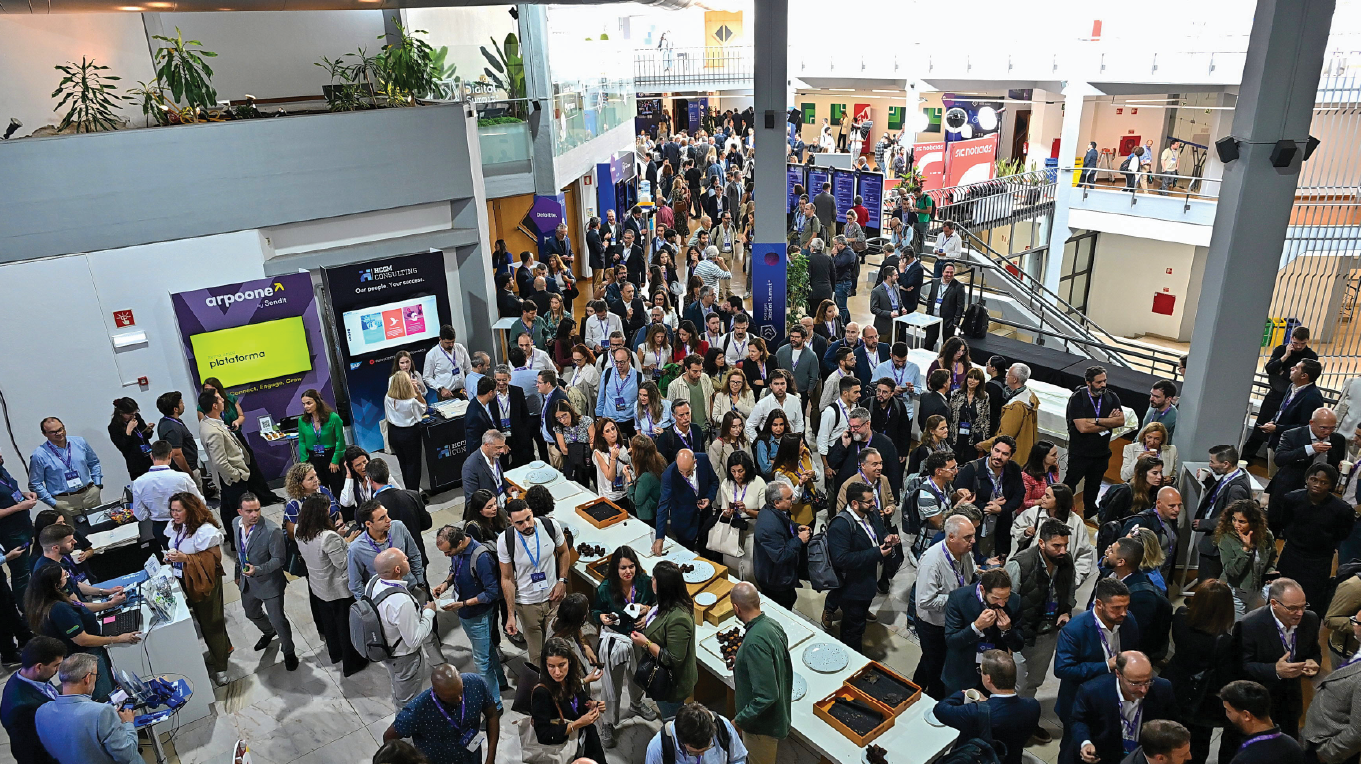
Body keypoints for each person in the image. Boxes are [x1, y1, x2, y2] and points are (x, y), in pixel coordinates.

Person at [23, 564, 134, 703]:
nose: (68, 578)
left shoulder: (43, 601)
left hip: (79, 655)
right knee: (104, 695)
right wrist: (117, 639)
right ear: (56, 585)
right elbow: (83, 640)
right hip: (87, 655)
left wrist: (110, 603)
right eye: (65, 577)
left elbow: (79, 605)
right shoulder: (59, 609)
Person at [1054, 578, 1142, 751]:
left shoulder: (1128, 621)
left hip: (1116, 699)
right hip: (1081, 703)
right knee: (1073, 750)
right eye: (1117, 608)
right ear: (1099, 604)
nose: (1123, 612)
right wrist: (1106, 666)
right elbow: (1063, 669)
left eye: (1126, 606)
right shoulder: (1074, 630)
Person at [1005, 519, 1077, 723]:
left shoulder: (1066, 561)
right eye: (1057, 546)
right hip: (1021, 633)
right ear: (1042, 543)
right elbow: (1005, 602)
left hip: (1048, 632)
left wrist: (1066, 611)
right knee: (1014, 682)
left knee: (1034, 680)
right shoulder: (1020, 564)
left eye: (1065, 545)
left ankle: (1023, 720)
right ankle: (1008, 721)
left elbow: (1068, 590)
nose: (1062, 550)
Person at [1234, 578, 1321, 742]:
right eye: (1293, 608)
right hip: (1259, 703)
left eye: (1303, 606)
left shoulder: (1311, 619)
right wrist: (1275, 670)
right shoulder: (1250, 624)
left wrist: (1314, 663)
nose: (1300, 613)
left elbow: (1314, 651)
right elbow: (1242, 666)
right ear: (1274, 603)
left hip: (1291, 701)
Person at [1162, 579, 1237, 764]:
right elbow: (1224, 677)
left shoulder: (1180, 617)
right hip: (1201, 701)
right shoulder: (1224, 642)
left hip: (1174, 686)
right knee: (1196, 749)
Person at [590, 546, 658, 746]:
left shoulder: (646, 583)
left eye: (631, 566)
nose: (628, 571)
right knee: (611, 683)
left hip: (639, 637)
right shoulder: (605, 588)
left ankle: (637, 704)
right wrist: (601, 617)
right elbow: (596, 611)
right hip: (615, 639)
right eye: (623, 568)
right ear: (615, 569)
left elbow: (658, 605)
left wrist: (647, 613)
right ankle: (608, 723)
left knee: (639, 675)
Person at [164, 492, 233, 684]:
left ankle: (221, 667)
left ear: (190, 509)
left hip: (205, 581)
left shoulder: (205, 531)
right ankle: (222, 649)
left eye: (178, 510)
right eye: (172, 510)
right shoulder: (177, 526)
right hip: (187, 579)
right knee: (203, 620)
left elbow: (214, 560)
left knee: (212, 622)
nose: (174, 514)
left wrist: (186, 559)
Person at [295, 495, 367, 677]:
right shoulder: (328, 538)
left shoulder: (299, 530)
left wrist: (338, 536)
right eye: (327, 509)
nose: (330, 512)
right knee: (345, 627)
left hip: (318, 586)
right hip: (338, 589)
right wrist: (348, 542)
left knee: (330, 625)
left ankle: (336, 654)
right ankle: (353, 663)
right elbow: (342, 563)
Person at [933, 651, 1041, 764]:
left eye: (981, 671)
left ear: (989, 679)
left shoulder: (977, 712)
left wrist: (963, 694)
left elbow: (940, 709)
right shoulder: (1033, 705)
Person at [1071, 651, 1177, 764]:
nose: (1143, 689)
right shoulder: (1092, 691)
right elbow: (1079, 720)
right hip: (1106, 756)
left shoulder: (1163, 688)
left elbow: (1172, 722)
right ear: (1118, 674)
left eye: (1147, 681)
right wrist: (1085, 742)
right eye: (1135, 683)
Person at [367, 547, 442, 707]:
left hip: (387, 648)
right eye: (404, 559)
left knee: (399, 691)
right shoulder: (401, 602)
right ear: (397, 569)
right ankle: (405, 731)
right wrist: (428, 613)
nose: (407, 557)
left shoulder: (373, 583)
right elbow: (414, 640)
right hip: (404, 658)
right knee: (409, 703)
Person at [912, 514, 977, 697]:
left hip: (951, 621)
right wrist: (958, 600)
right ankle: (935, 701)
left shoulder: (964, 552)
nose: (973, 541)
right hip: (934, 625)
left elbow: (968, 577)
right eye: (967, 537)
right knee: (936, 666)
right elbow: (925, 601)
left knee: (930, 658)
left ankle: (915, 686)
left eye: (973, 535)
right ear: (951, 537)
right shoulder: (932, 562)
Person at [498, 502, 570, 666]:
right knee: (537, 656)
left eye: (528, 518)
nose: (527, 525)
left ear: (531, 512)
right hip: (527, 604)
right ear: (510, 521)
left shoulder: (550, 525)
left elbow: (564, 552)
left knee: (559, 648)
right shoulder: (505, 540)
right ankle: (543, 688)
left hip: (554, 598)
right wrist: (510, 615)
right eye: (520, 523)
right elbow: (507, 578)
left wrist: (562, 580)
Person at [1275, 464, 1354, 614]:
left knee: (1311, 600)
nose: (1317, 485)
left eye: (1324, 482)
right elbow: (1284, 522)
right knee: (1281, 592)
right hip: (1291, 554)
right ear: (1307, 479)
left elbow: (1343, 533)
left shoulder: (1342, 510)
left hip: (1319, 561)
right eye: (1314, 479)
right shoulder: (1291, 499)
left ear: (1331, 485)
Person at [33, 653, 139, 764]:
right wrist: (128, 723)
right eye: (96, 676)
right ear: (87, 678)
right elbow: (128, 755)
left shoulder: (42, 711)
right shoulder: (102, 712)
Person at [232, 494, 298, 671]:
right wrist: (237, 573)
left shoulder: (271, 530)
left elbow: (279, 560)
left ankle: (289, 651)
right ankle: (269, 632)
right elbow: (240, 551)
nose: (254, 514)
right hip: (247, 582)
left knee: (278, 620)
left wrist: (258, 570)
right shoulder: (235, 523)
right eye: (249, 511)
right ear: (240, 512)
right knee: (251, 613)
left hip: (269, 583)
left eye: (257, 510)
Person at [728, 582, 791, 764]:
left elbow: (766, 695)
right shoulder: (772, 625)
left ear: (736, 608)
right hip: (775, 714)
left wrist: (739, 722)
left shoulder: (755, 641)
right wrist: (742, 662)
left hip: (761, 725)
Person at [384, 664, 498, 764]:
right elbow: (389, 737)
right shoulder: (417, 710)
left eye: (461, 692)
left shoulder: (476, 684)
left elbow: (492, 715)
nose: (459, 699)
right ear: (435, 691)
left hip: (471, 757)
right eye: (451, 697)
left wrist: (490, 759)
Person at [631, 560, 697, 721]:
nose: (650, 581)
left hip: (671, 684)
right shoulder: (668, 601)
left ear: (663, 585)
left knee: (673, 724)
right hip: (663, 673)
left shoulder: (679, 619)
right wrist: (648, 612)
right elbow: (659, 612)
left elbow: (673, 658)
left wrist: (645, 643)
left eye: (653, 579)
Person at [943, 568, 1023, 696]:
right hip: (962, 672)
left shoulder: (1015, 601)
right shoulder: (958, 598)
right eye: (996, 598)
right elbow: (952, 641)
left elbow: (1018, 645)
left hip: (994, 676)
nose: (1002, 604)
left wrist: (1007, 630)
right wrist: (976, 627)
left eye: (1006, 598)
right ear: (982, 590)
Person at [1243, 326, 1318, 460]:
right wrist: (1285, 357)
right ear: (1291, 339)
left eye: (1303, 344)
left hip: (1291, 397)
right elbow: (1270, 369)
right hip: (1276, 395)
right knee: (1261, 426)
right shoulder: (1281, 350)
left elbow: (1300, 378)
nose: (1299, 347)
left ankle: (1275, 458)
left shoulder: (1310, 357)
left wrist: (1282, 373)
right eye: (1296, 343)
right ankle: (1246, 456)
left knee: (1284, 430)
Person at [1301, 604, 1361, 764]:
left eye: (1357, 622)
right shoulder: (1358, 649)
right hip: (1321, 736)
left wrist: (1327, 753)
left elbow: (1358, 731)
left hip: (1332, 752)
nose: (1353, 624)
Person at [1066, 366, 1127, 517]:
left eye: (1104, 381)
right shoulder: (1078, 398)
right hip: (1080, 452)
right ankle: (1063, 510)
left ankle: (1090, 513)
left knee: (1094, 485)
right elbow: (1082, 428)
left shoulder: (1111, 397)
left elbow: (1120, 421)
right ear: (1088, 382)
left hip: (1101, 452)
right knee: (1069, 484)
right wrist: (1108, 421)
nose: (1103, 385)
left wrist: (1096, 421)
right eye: (1099, 382)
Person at [1269, 408, 1345, 529]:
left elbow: (1335, 464)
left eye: (1332, 428)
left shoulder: (1338, 439)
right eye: (1323, 428)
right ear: (1311, 423)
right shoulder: (1292, 435)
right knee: (1278, 524)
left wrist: (1341, 466)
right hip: (1292, 487)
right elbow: (1279, 459)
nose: (1328, 432)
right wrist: (1309, 450)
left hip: (1320, 494)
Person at [1190, 445, 1253, 584]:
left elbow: (1233, 519)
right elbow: (1221, 498)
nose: (1210, 465)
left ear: (1226, 464)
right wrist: (1209, 481)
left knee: (1208, 582)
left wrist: (1205, 524)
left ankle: (1203, 603)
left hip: (1217, 545)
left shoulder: (1237, 489)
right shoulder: (1232, 476)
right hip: (1216, 539)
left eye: (1212, 462)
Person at [1012, 483, 1097, 585]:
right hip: (1031, 575)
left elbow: (1084, 554)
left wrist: (1074, 581)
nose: (1042, 498)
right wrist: (1025, 533)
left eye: (1047, 496)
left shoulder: (1076, 522)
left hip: (1059, 579)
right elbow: (1016, 528)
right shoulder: (1034, 513)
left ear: (1060, 501)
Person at [955, 437, 1022, 560]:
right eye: (996, 451)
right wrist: (986, 507)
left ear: (1011, 456)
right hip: (977, 525)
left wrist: (1001, 509)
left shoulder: (1014, 469)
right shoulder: (972, 469)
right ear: (991, 449)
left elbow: (1019, 496)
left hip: (1002, 525)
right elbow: (962, 499)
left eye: (1005, 454)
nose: (999, 456)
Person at [1, 635, 63, 764]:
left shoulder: (29, 677)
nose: (58, 670)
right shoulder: (22, 710)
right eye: (55, 665)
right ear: (39, 667)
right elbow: (28, 754)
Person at [348, 499, 427, 600]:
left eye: (387, 514)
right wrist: (369, 604)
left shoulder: (398, 527)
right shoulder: (356, 549)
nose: (388, 519)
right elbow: (355, 583)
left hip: (411, 589)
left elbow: (414, 555)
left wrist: (420, 582)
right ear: (368, 524)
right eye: (382, 518)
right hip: (385, 599)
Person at [199, 389, 250, 539]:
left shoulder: (208, 422)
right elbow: (220, 462)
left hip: (227, 476)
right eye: (220, 399)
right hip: (231, 477)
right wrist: (236, 475)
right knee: (237, 511)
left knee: (228, 508)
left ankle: (234, 540)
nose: (223, 400)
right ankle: (241, 542)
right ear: (214, 405)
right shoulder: (212, 431)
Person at [28, 418, 101, 523]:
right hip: (65, 501)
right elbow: (35, 483)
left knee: (100, 528)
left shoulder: (80, 442)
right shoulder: (39, 455)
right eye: (53, 432)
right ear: (44, 434)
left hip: (90, 494)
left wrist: (97, 485)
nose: (59, 433)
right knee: (75, 535)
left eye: (60, 429)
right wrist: (54, 503)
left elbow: (94, 462)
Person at [130, 440, 200, 547]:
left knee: (171, 557)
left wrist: (154, 511)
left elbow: (140, 516)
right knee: (192, 556)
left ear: (151, 456)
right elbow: (200, 502)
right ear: (170, 455)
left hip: (160, 527)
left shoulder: (138, 483)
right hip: (186, 524)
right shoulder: (183, 478)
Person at [1216, 499, 1278, 617]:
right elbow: (1231, 571)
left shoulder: (1266, 535)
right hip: (1235, 591)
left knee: (1251, 626)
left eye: (1242, 521)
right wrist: (1246, 549)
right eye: (1234, 519)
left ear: (1253, 522)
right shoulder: (1226, 538)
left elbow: (1271, 559)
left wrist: (1270, 572)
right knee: (1236, 629)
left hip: (1257, 591)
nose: (1236, 524)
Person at [1220, 679, 1305, 764]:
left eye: (1228, 710)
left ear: (1246, 715)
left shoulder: (1245, 759)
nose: (1227, 714)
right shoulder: (1293, 745)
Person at [655, 450, 720, 557]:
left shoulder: (703, 459)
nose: (685, 476)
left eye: (688, 471)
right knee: (686, 557)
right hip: (684, 523)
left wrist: (709, 498)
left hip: (705, 518)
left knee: (707, 553)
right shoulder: (668, 475)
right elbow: (663, 506)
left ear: (695, 462)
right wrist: (659, 537)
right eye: (681, 472)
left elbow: (714, 481)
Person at [644, 701, 748, 764]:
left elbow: (738, 759)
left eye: (708, 748)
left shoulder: (723, 727)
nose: (702, 755)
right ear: (681, 741)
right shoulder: (658, 748)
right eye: (694, 753)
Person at [1121, 486, 1183, 587]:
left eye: (1179, 505)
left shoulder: (1171, 519)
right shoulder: (1141, 520)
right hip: (1144, 579)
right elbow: (1124, 549)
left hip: (1162, 574)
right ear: (1158, 503)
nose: (1177, 510)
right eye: (1172, 506)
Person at [978, 363, 1040, 461]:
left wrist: (984, 445)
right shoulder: (1029, 396)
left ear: (1015, 379)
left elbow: (1006, 436)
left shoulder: (1016, 407)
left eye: (1008, 374)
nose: (1006, 376)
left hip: (1013, 457)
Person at [297, 388, 346, 497]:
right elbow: (302, 441)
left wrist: (335, 460)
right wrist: (304, 462)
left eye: (309, 403)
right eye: (304, 404)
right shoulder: (302, 420)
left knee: (338, 488)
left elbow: (340, 441)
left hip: (331, 456)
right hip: (314, 457)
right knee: (319, 489)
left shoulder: (333, 418)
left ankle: (341, 512)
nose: (306, 407)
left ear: (317, 402)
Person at [385, 371, 427, 490]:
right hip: (409, 434)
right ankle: (413, 493)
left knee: (403, 463)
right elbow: (424, 408)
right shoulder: (411, 402)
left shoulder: (388, 397)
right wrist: (418, 392)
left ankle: (408, 489)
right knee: (413, 465)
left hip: (394, 433)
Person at [154, 391, 202, 492]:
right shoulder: (173, 428)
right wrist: (189, 472)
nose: (183, 404)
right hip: (185, 471)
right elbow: (176, 454)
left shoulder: (166, 421)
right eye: (181, 402)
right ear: (175, 409)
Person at [282, 462, 340, 542]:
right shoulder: (294, 505)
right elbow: (292, 534)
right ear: (299, 484)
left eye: (315, 475)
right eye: (311, 478)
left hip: (335, 534)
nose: (316, 480)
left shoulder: (323, 490)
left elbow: (337, 510)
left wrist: (340, 520)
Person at [106, 398, 154, 481]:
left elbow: (145, 437)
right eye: (130, 414)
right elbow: (123, 447)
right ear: (121, 413)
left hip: (150, 456)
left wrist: (148, 430)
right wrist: (128, 431)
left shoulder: (137, 418)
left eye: (135, 413)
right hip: (136, 464)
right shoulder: (114, 427)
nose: (133, 416)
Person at [591, 419, 633, 506]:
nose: (612, 433)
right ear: (602, 435)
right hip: (611, 495)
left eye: (613, 429)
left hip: (626, 489)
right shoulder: (599, 453)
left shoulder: (622, 445)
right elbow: (610, 477)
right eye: (607, 431)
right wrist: (613, 458)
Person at [1020, 440, 1062, 511]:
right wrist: (1048, 500)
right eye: (1053, 455)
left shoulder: (1054, 468)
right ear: (1042, 457)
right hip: (1030, 513)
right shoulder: (1026, 476)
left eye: (1056, 453)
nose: (1057, 457)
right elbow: (1025, 503)